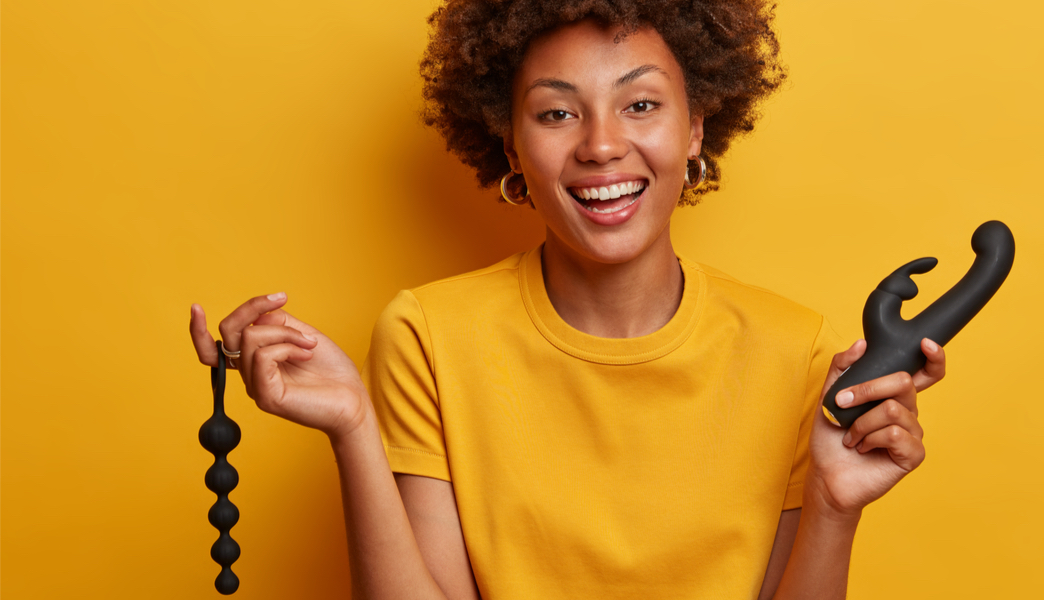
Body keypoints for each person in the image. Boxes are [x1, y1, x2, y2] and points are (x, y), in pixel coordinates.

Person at [189, 2, 947, 598]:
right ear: (511, 146)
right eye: (557, 112)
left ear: (697, 128)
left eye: (641, 105)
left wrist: (835, 509)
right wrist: (353, 428)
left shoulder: (796, 350)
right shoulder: (428, 336)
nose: (601, 145)